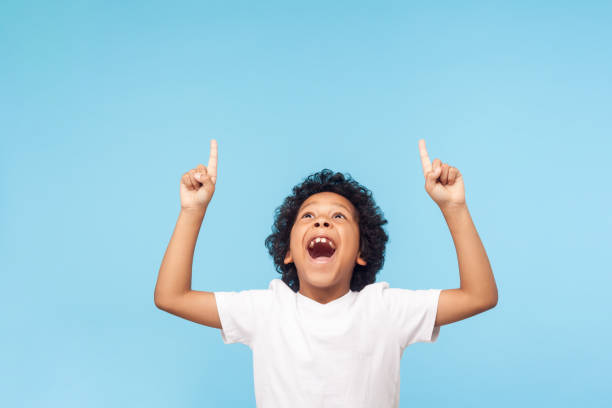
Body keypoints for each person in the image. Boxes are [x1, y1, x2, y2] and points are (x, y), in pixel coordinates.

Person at [154, 139, 498, 407]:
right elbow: (171, 297)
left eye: (338, 217)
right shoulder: (267, 310)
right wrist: (191, 210)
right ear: (289, 252)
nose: (321, 221)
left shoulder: (385, 309)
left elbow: (479, 296)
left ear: (362, 252)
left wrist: (454, 207)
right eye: (308, 216)